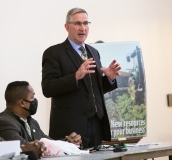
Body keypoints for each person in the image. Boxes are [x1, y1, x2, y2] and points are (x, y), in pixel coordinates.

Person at [41, 8, 121, 149]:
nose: (82, 28)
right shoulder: (53, 53)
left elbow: (92, 89)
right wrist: (75, 76)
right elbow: (48, 88)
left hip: (96, 126)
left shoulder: (93, 51)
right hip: (70, 128)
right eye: (77, 23)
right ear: (67, 27)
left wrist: (109, 79)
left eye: (85, 23)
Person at [0, 81, 82, 147]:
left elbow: (49, 143)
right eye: (32, 97)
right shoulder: (4, 123)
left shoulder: (32, 122)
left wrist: (68, 143)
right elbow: (26, 148)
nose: (35, 101)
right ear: (22, 103)